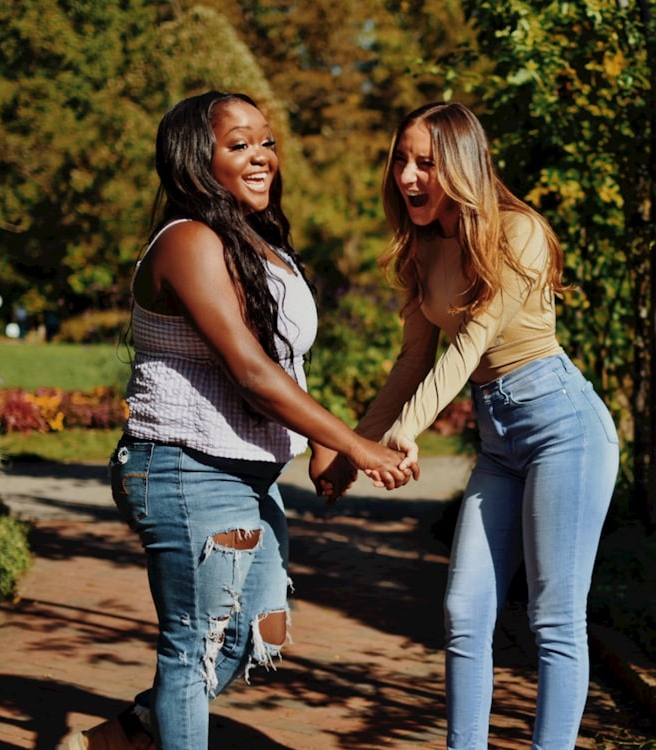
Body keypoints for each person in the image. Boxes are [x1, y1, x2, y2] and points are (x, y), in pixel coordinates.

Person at [61, 91, 417, 750]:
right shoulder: (189, 242)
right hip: (187, 472)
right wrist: (359, 445)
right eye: (239, 144)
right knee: (193, 652)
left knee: (263, 632)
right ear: (199, 159)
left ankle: (122, 738)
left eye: (266, 142)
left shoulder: (261, 241)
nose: (261, 157)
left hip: (248, 479)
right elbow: (251, 372)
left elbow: (284, 357)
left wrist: (317, 442)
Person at [313, 102, 620, 749]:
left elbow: (471, 342)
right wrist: (354, 449)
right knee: (463, 612)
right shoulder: (423, 251)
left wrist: (406, 432)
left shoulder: (519, 232)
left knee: (555, 619)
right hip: (501, 442)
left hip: (564, 429)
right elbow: (412, 362)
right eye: (401, 160)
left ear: (461, 164)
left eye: (425, 162)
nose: (406, 175)